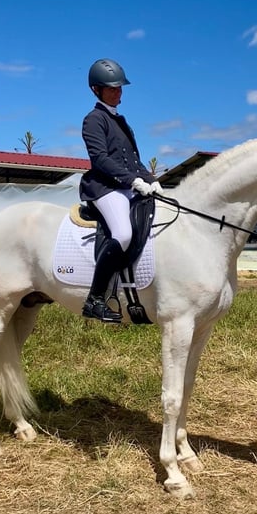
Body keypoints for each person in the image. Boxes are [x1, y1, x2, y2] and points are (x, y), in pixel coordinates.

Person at [79, 58, 163, 323]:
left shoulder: (121, 121)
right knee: (124, 233)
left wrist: (151, 179)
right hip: (104, 187)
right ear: (97, 90)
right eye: (112, 88)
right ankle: (95, 299)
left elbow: (134, 160)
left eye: (120, 88)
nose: (118, 92)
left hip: (126, 185)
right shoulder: (93, 119)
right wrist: (131, 180)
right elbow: (100, 159)